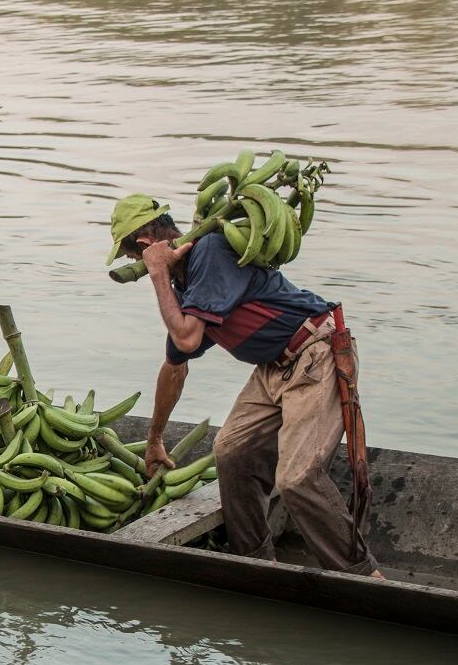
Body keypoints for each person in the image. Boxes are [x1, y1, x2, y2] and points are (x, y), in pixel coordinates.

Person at [104, 194, 380, 577]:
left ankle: (362, 574)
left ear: (148, 245)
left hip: (314, 353)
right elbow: (175, 366)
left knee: (297, 477)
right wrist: (154, 439)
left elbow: (185, 338)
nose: (136, 264)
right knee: (232, 452)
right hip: (272, 367)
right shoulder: (188, 285)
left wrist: (155, 275)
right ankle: (255, 562)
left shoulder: (211, 253)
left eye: (134, 256)